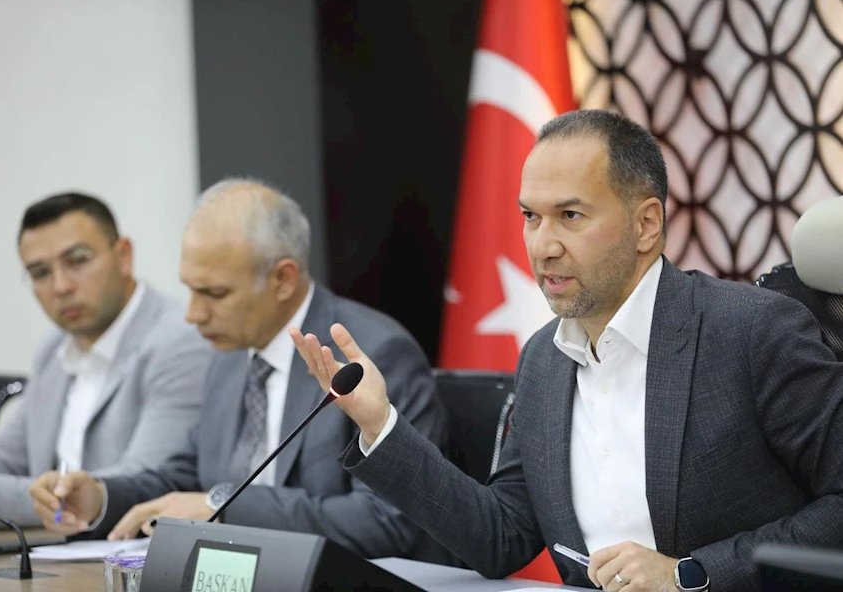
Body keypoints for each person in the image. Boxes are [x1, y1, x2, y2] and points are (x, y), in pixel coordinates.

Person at [291, 109, 843, 592]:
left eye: (570, 216)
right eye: (530, 216)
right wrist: (379, 424)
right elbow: (501, 536)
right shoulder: (543, 360)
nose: (542, 245)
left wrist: (689, 575)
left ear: (646, 224)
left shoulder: (751, 330)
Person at [29, 179, 448, 561]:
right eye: (190, 290)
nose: (192, 314)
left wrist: (225, 507)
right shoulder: (230, 355)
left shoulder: (369, 356)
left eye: (213, 293)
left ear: (283, 279)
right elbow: (184, 477)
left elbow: (388, 520)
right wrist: (100, 497)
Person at [0, 192, 212, 527]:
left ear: (124, 256)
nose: (61, 286)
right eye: (40, 272)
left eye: (78, 260)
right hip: (55, 546)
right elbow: (4, 456)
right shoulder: (53, 349)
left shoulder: (181, 339)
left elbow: (144, 481)